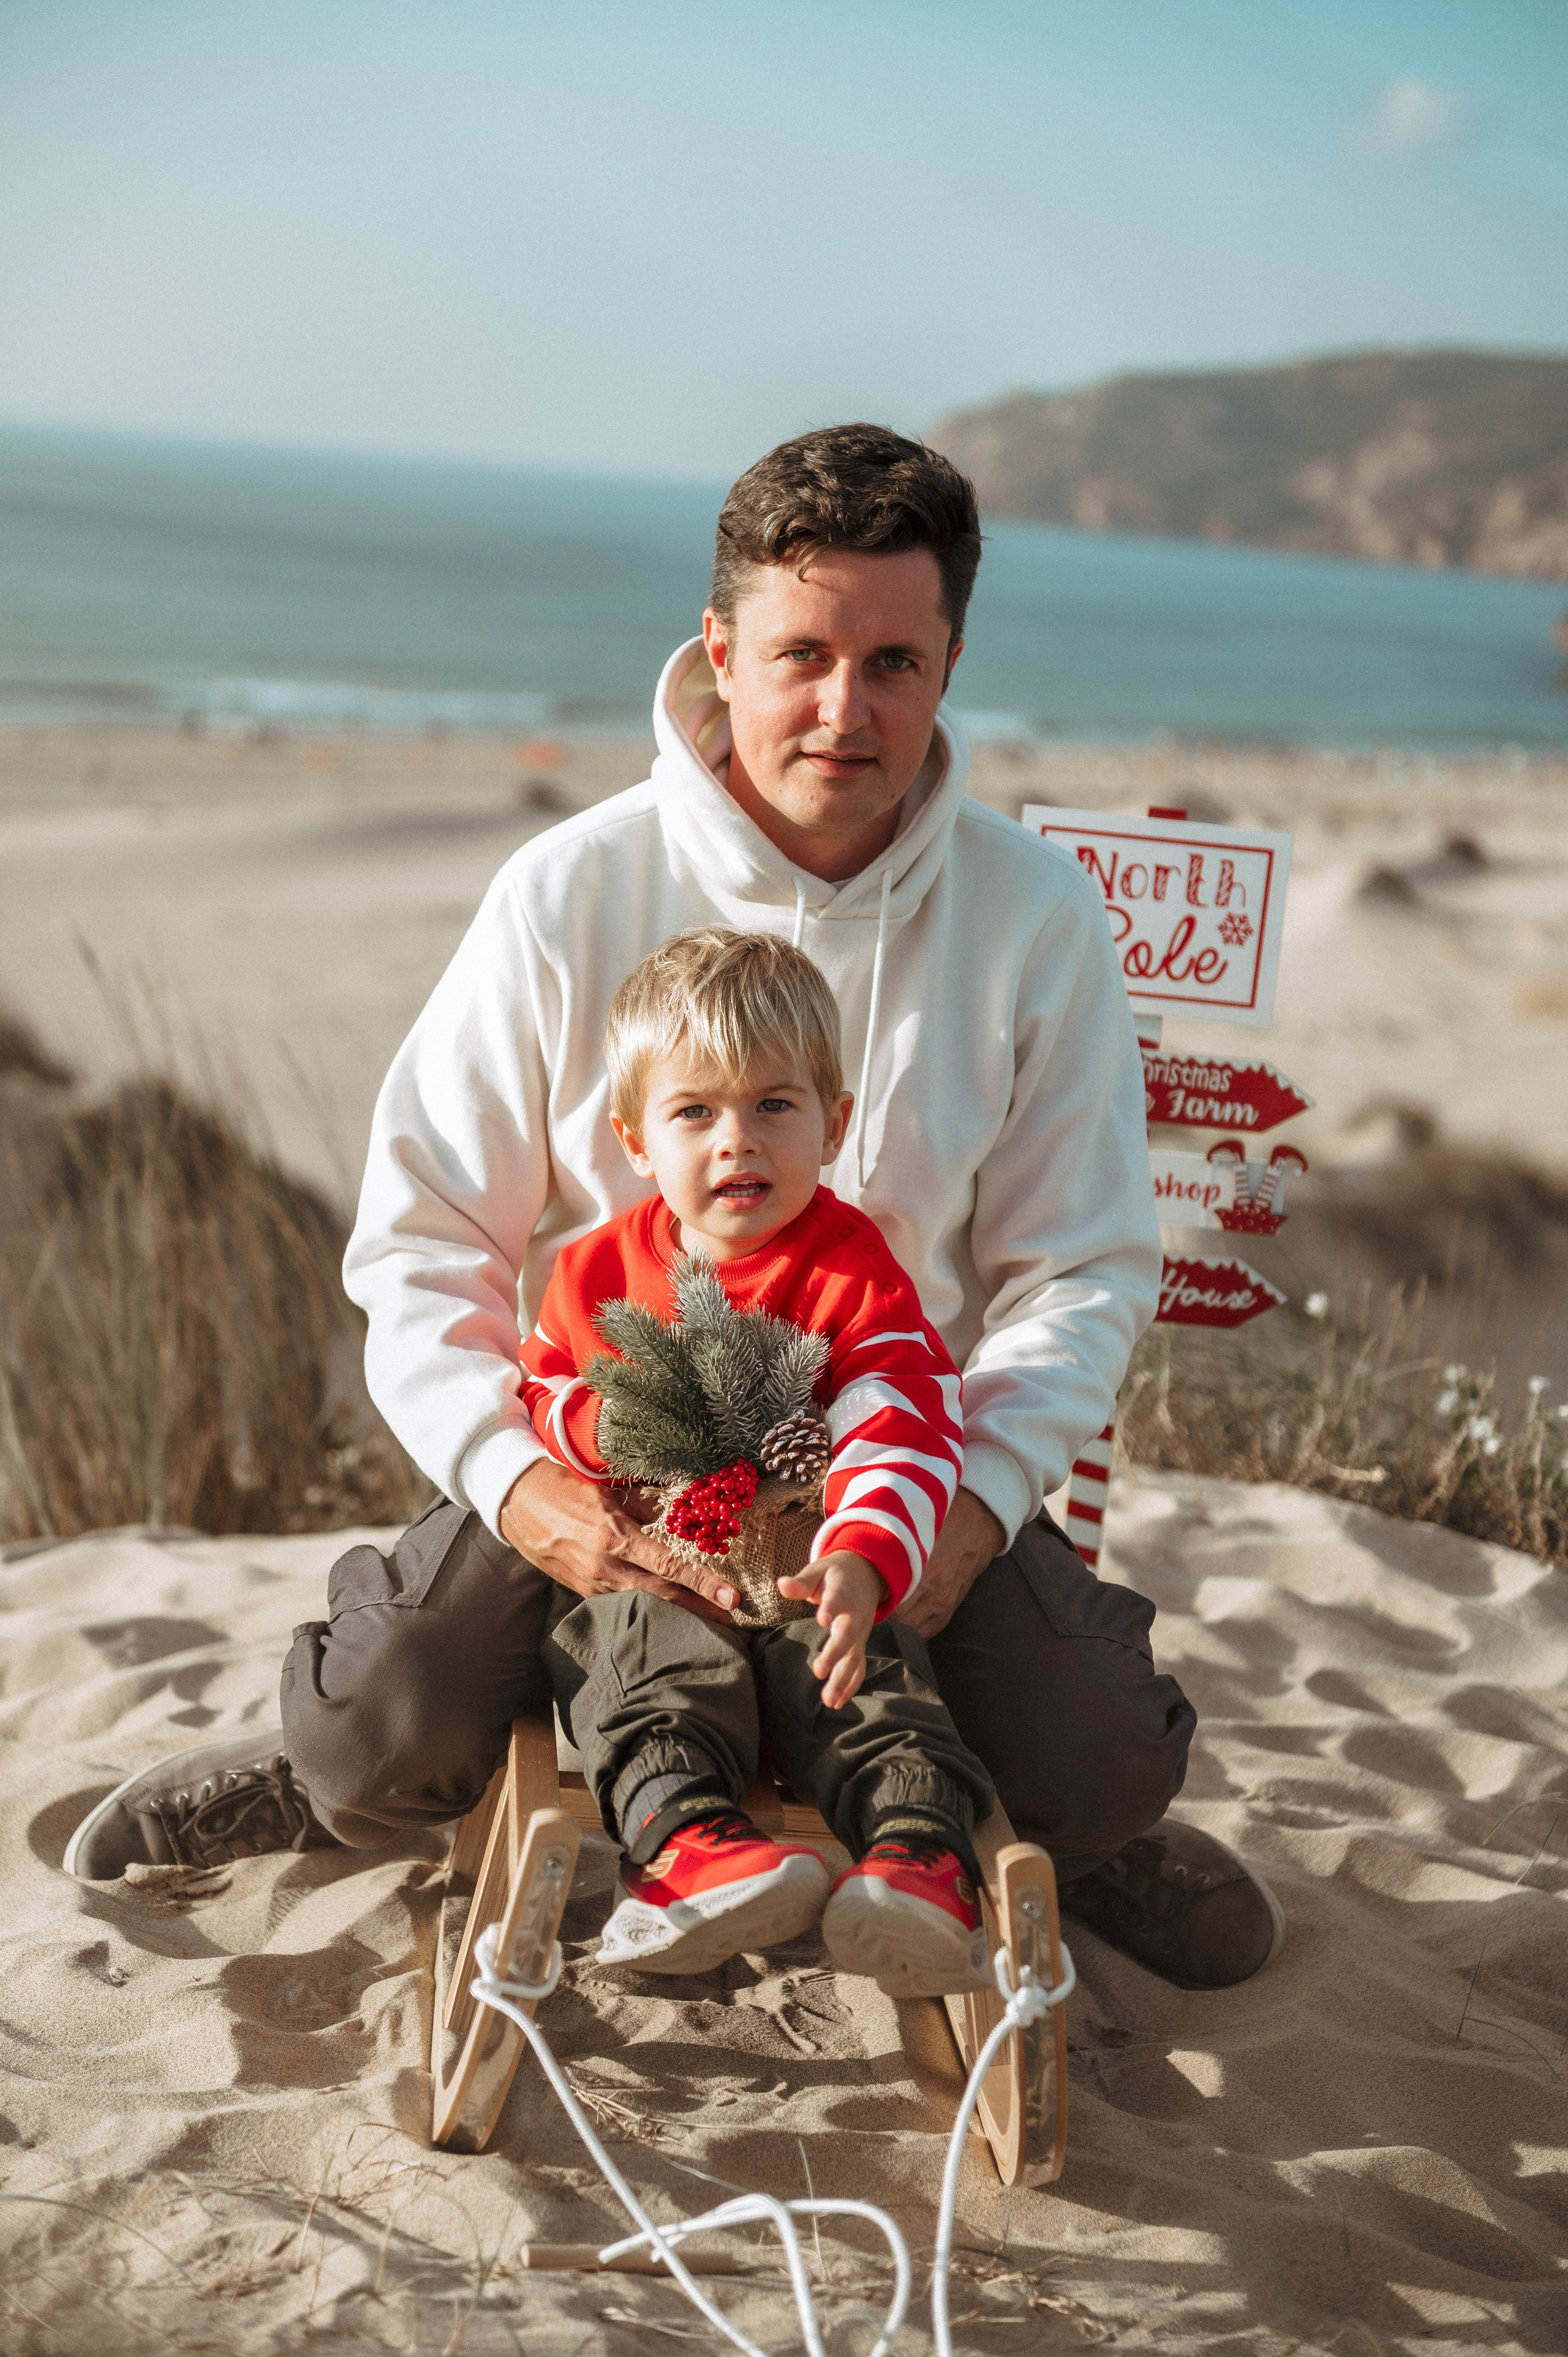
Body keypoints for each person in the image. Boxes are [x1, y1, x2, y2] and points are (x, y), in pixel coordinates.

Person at [66, 423, 1282, 1994]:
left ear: (951, 659)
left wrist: (969, 1509)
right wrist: (521, 1490)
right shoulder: (569, 891)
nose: (845, 710)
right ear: (721, 649)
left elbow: (1080, 1273)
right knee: (378, 1734)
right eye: (801, 655)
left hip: (886, 1466)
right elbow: (424, 1235)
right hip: (611, 1452)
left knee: (1104, 1757)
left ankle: (1049, 1825)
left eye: (895, 661)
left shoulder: (1032, 919)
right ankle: (321, 1787)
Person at [527, 926, 995, 1997]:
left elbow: (906, 1410)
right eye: (695, 1111)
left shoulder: (849, 1270)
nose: (737, 1141)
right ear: (637, 1140)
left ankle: (917, 1860)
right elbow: (543, 1386)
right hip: (669, 1566)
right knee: (631, 1657)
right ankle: (695, 1849)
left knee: (865, 1667)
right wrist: (598, 1428)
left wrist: (868, 1557)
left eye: (774, 1106)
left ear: (833, 1125)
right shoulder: (596, 1271)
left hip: (799, 1568)